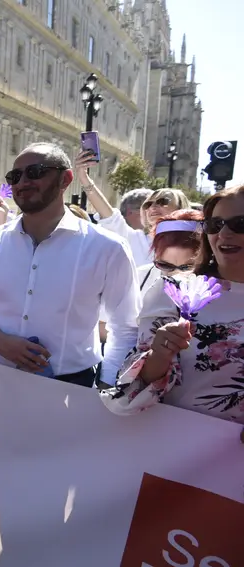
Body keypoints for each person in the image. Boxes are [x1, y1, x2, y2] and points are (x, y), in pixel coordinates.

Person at [0, 143, 141, 387]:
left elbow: (125, 327)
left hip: (72, 387)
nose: (23, 182)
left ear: (65, 179)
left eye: (36, 172)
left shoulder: (108, 248)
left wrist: (107, 384)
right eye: (15, 176)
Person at [102, 185, 243, 424]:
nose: (224, 233)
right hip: (175, 445)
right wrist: (159, 355)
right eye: (215, 225)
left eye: (239, 223)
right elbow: (129, 398)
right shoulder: (173, 292)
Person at [78, 151, 189, 266]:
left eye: (163, 201)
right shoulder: (135, 240)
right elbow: (109, 216)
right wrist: (84, 178)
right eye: (148, 204)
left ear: (180, 209)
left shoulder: (195, 245)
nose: (154, 206)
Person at [135, 209, 203, 294]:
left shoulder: (221, 288)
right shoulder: (138, 279)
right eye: (165, 266)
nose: (175, 275)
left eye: (187, 268)